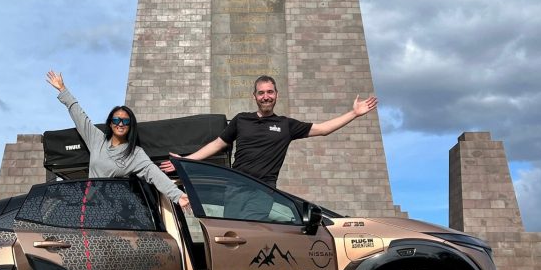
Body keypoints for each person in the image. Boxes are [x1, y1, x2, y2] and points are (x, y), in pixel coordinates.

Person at [161, 75, 378, 188]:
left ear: (276, 95)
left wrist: (354, 113)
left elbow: (323, 129)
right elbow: (217, 144)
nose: (266, 96)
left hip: (263, 189)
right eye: (261, 93)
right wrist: (185, 160)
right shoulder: (241, 119)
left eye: (270, 92)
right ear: (254, 96)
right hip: (235, 186)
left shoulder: (286, 125)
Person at [46, 70, 189, 209]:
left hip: (114, 210)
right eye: (116, 120)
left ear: (130, 125)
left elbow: (154, 173)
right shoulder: (97, 140)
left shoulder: (135, 154)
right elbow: (80, 118)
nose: (120, 124)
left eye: (125, 121)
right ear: (110, 123)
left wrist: (178, 196)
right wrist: (63, 89)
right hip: (90, 207)